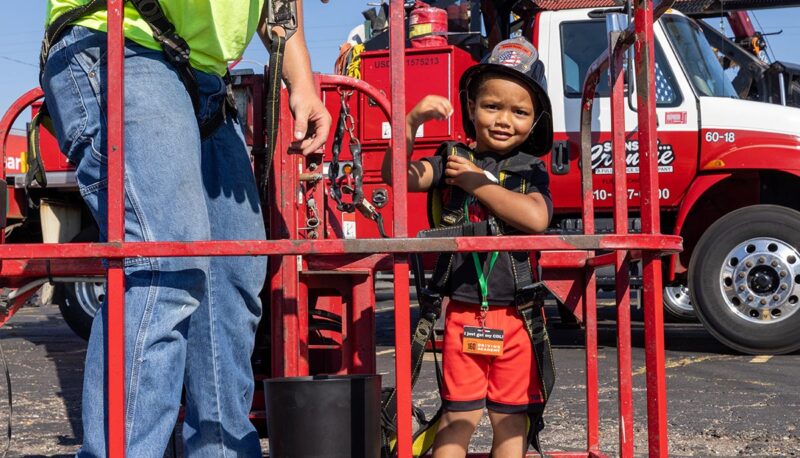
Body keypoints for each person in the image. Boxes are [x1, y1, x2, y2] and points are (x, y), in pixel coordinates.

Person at [40, 0, 331, 456]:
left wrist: (303, 83)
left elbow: (277, 7)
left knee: (232, 281)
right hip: (120, 33)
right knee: (165, 263)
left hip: (203, 77)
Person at [381, 37, 554, 458]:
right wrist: (410, 124)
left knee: (512, 422)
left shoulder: (530, 171)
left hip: (518, 314)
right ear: (471, 108)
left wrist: (478, 182)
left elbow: (535, 217)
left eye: (519, 112)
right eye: (492, 106)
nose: (503, 120)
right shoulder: (451, 158)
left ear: (534, 123)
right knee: (458, 418)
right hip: (462, 313)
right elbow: (398, 176)